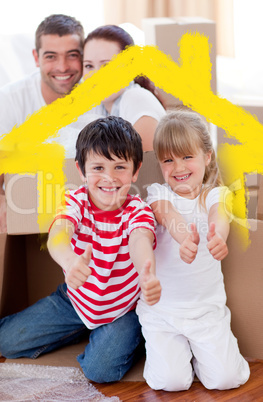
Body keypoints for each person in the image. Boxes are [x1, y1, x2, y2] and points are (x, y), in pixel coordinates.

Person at [0, 115, 162, 383]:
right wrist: (70, 260)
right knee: (6, 341)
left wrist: (147, 272)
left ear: (135, 171)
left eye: (120, 167)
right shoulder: (75, 201)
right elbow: (58, 235)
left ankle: (129, 337)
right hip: (76, 299)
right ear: (81, 169)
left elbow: (140, 240)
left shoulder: (137, 210)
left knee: (100, 372)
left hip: (122, 310)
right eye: (98, 167)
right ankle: (81, 328)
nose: (109, 178)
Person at [136, 109, 250, 391]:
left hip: (206, 313)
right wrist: (184, 236)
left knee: (227, 380)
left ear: (207, 156)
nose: (178, 167)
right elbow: (168, 215)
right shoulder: (158, 193)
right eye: (168, 160)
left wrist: (217, 238)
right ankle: (174, 356)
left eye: (187, 157)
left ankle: (201, 357)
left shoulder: (215, 194)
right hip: (163, 314)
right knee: (170, 382)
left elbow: (218, 216)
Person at [0, 14, 84, 232]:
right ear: (36, 57)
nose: (62, 67)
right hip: (27, 210)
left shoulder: (102, 98)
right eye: (51, 57)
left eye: (72, 55)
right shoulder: (10, 99)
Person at [82, 24, 166, 152]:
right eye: (88, 66)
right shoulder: (99, 106)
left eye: (106, 66)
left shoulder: (136, 99)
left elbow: (148, 169)